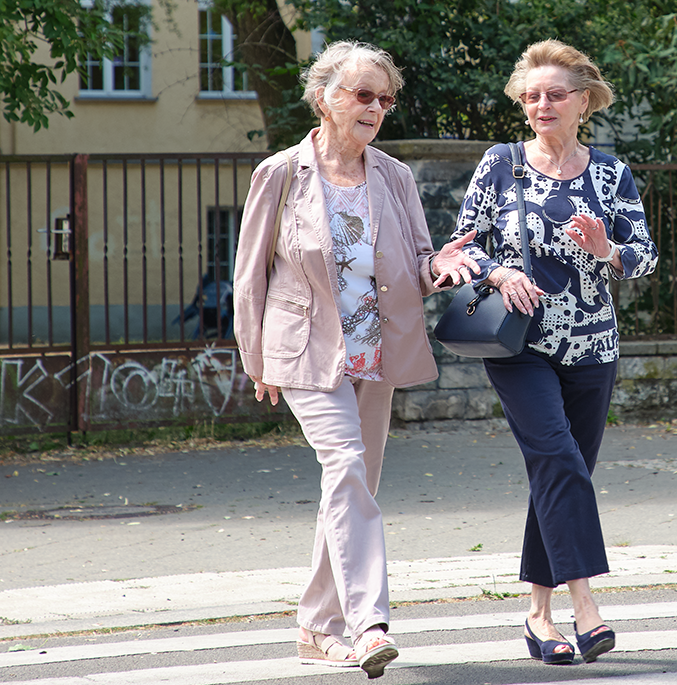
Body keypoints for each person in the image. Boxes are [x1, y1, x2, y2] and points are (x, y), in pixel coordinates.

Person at [232, 41, 480, 679]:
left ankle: (317, 626)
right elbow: (250, 273)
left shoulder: (394, 177)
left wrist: (444, 267)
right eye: (363, 94)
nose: (376, 107)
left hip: (377, 351)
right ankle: (368, 624)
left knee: (352, 487)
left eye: (386, 98)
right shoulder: (282, 173)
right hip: (305, 351)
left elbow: (421, 263)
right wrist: (255, 357)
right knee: (344, 466)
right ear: (325, 97)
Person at [452, 39, 657, 666]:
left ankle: (539, 619)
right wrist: (495, 273)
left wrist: (607, 250)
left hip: (593, 345)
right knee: (559, 459)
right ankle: (587, 608)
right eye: (532, 95)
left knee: (562, 474)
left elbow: (644, 256)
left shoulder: (610, 174)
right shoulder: (501, 163)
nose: (543, 103)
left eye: (556, 94)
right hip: (519, 344)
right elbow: (458, 245)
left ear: (584, 102)